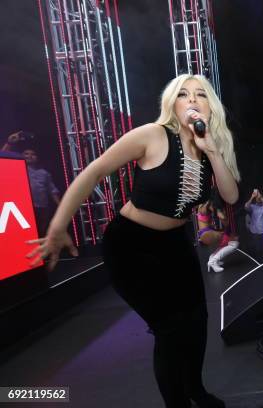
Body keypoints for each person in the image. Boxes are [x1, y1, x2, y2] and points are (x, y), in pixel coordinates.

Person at [26, 74, 239, 407]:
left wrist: (211, 149)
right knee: (169, 331)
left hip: (175, 245)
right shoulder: (152, 135)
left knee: (197, 322)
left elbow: (230, 194)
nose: (193, 100)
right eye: (183, 94)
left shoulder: (209, 149)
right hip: (132, 246)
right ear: (173, 104)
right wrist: (58, 225)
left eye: (201, 95)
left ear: (210, 108)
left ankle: (196, 390)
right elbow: (94, 172)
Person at [22, 148, 61, 235]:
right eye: (26, 154)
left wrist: (60, 206)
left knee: (42, 231)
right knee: (28, 232)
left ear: (37, 157)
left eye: (33, 154)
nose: (30, 156)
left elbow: (52, 190)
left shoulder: (44, 173)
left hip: (42, 207)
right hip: (25, 208)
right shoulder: (18, 169)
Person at [243, 188, 263, 262]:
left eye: (259, 197)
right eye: (257, 198)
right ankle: (258, 264)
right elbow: (246, 207)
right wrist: (252, 197)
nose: (258, 198)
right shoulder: (253, 206)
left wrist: (261, 197)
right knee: (257, 249)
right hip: (254, 232)